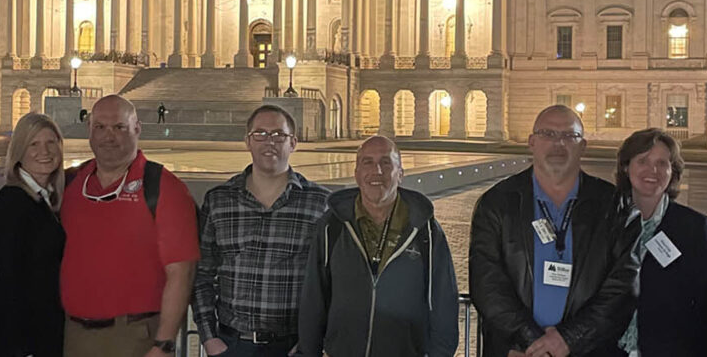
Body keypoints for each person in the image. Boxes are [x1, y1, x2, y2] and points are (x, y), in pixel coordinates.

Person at [470, 104, 638, 357]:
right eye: (548, 134)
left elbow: (623, 286)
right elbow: (487, 283)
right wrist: (530, 342)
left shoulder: (613, 205)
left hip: (587, 351)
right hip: (516, 352)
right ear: (532, 142)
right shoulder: (497, 203)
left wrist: (568, 340)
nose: (558, 144)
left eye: (569, 136)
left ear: (583, 146)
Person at [59, 95, 199, 357]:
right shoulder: (71, 184)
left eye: (119, 127)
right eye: (100, 127)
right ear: (89, 129)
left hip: (136, 336)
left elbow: (182, 273)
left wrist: (164, 343)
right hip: (74, 334)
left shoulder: (164, 187)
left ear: (137, 128)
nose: (109, 136)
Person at [299, 135, 458, 357]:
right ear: (356, 174)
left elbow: (444, 301)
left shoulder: (425, 230)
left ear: (400, 174)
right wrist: (309, 351)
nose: (377, 171)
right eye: (368, 162)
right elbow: (314, 296)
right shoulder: (332, 226)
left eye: (386, 162)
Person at [192, 105, 329, 357]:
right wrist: (209, 337)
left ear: (293, 143)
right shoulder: (219, 201)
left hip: (293, 346)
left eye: (279, 135)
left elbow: (333, 279)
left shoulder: (319, 204)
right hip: (231, 344)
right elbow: (202, 274)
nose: (270, 142)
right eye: (260, 134)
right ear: (247, 141)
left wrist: (314, 338)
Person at [613, 128, 707, 357]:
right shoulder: (604, 221)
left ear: (673, 171)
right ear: (625, 166)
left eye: (662, 163)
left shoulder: (694, 228)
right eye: (643, 161)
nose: (653, 170)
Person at [0, 112, 67, 357]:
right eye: (33, 144)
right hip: (25, 343)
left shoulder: (44, 199)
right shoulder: (12, 202)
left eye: (50, 143)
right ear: (19, 152)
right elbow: (4, 281)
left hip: (44, 334)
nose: (44, 151)